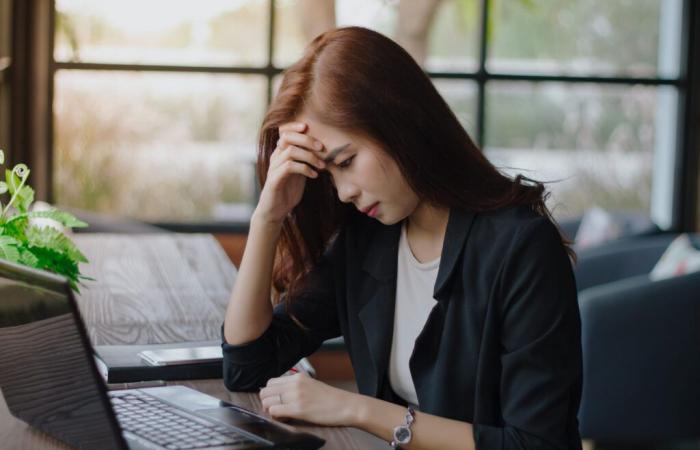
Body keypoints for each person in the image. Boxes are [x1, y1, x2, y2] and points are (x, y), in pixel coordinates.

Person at [222, 26, 582, 450]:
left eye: (348, 161)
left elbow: (536, 444)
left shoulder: (521, 248)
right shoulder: (370, 237)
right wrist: (268, 217)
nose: (343, 192)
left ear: (400, 123)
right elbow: (246, 366)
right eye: (329, 173)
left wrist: (359, 410)